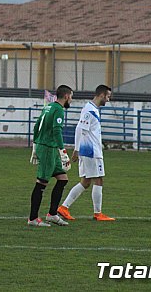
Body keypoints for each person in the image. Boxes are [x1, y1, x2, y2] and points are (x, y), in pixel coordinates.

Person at [57, 85, 115, 222]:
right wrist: (76, 150)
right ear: (101, 95)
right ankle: (98, 213)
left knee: (86, 181)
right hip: (91, 151)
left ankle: (64, 208)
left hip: (89, 150)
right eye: (107, 96)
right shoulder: (89, 110)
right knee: (99, 179)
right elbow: (80, 129)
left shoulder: (92, 109)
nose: (108, 99)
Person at [27, 85, 73, 227]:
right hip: (48, 148)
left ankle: (52, 214)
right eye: (71, 96)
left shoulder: (48, 107)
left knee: (62, 179)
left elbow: (36, 126)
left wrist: (35, 144)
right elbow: (56, 131)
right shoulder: (58, 109)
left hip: (47, 147)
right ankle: (33, 218)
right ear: (66, 96)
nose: (71, 99)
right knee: (41, 182)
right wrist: (63, 151)